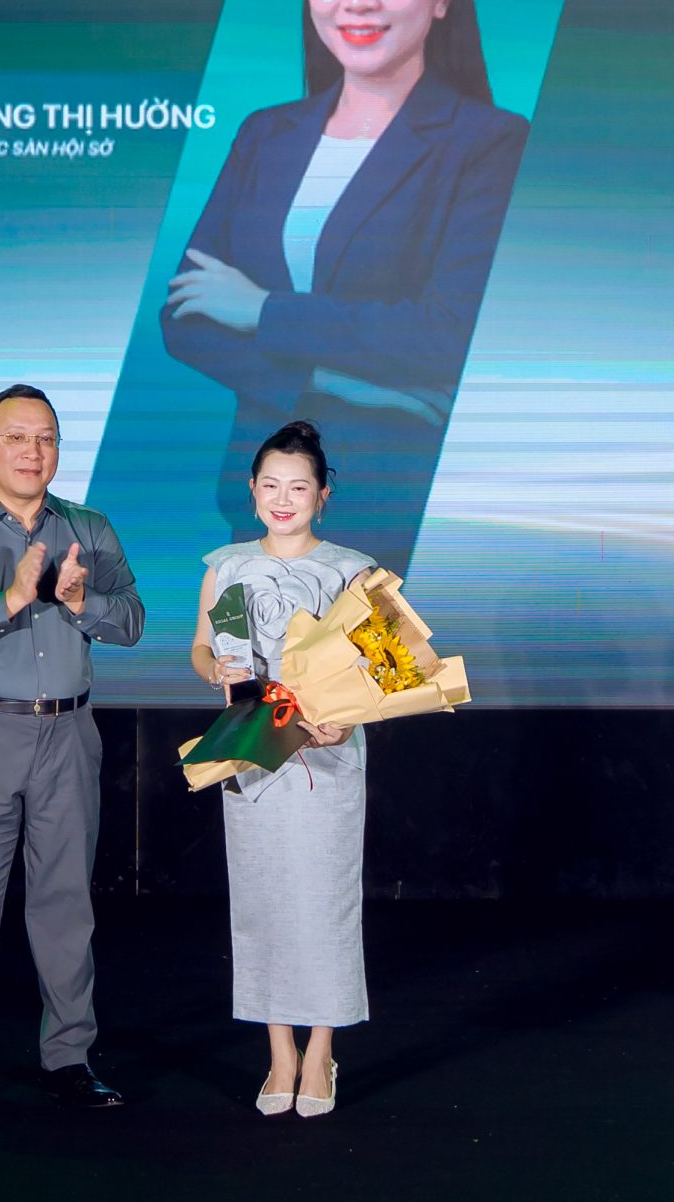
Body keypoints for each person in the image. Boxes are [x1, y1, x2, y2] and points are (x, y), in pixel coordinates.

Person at [162, 0, 529, 577]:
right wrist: (354, 382)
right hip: (263, 515)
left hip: (391, 519)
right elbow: (187, 318)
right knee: (248, 657)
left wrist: (261, 311)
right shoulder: (265, 134)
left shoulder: (489, 145)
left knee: (381, 657)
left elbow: (447, 336)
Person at [188, 419, 436, 1119]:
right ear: (251, 490)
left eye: (298, 488)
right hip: (251, 745)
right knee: (262, 900)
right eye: (270, 486)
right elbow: (202, 649)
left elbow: (397, 667)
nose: (282, 499)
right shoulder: (227, 566)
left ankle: (322, 1047)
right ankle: (279, 1052)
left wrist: (350, 718)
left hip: (327, 754)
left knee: (324, 900)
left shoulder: (353, 570)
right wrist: (216, 671)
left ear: (322, 496)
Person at [0, 383, 144, 1114]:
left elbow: (132, 621)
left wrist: (80, 602)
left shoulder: (90, 529)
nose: (31, 451)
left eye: (45, 438)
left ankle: (69, 1057)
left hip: (67, 734)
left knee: (65, 902)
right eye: (15, 437)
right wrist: (10, 599)